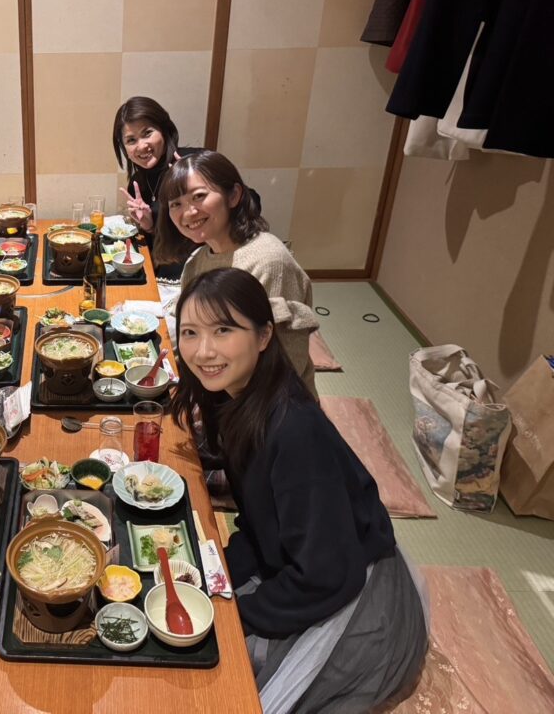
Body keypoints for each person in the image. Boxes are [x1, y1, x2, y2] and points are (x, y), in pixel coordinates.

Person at [172, 268, 428, 713]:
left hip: (348, 591)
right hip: (306, 556)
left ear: (264, 335)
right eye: (190, 332)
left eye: (223, 330)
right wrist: (214, 575)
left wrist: (234, 615)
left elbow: (325, 575)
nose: (203, 350)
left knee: (220, 672)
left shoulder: (294, 431)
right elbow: (259, 520)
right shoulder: (238, 397)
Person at [156, 150, 318, 397]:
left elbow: (286, 360)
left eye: (199, 196)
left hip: (269, 405)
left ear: (233, 195)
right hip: (214, 389)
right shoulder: (196, 262)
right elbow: (191, 335)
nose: (188, 212)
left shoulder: (269, 261)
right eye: (176, 204)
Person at [112, 96, 199, 279]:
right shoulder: (138, 182)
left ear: (164, 130)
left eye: (147, 133)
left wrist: (197, 187)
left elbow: (249, 200)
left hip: (201, 272)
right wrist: (150, 226)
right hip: (162, 276)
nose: (141, 146)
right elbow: (159, 245)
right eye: (131, 140)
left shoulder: (191, 163)